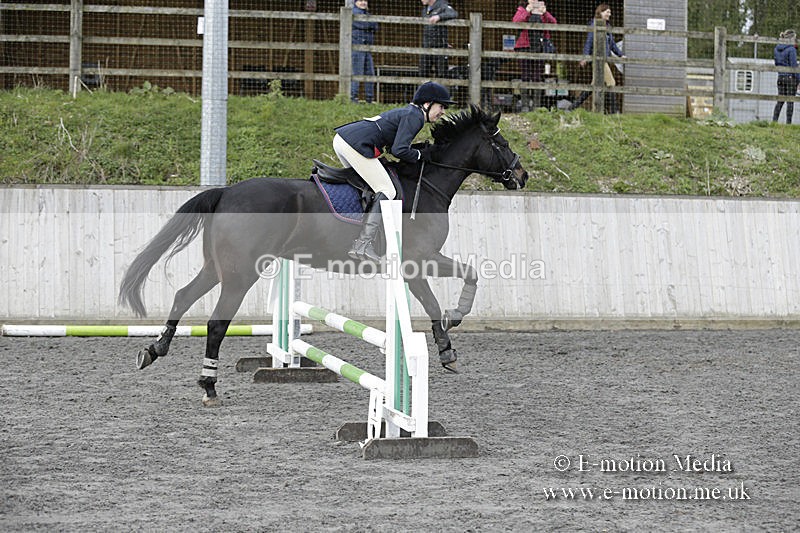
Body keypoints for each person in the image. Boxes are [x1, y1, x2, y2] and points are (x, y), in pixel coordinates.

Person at [333, 81, 455, 262]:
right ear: (427, 104)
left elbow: (394, 147)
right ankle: (363, 244)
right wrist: (422, 155)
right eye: (441, 106)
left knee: (369, 187)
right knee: (388, 190)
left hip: (344, 140)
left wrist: (416, 151)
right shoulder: (416, 117)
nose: (443, 111)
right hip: (355, 144)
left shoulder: (410, 112)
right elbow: (399, 150)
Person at [570, 3, 625, 113]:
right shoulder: (594, 25)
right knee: (611, 83)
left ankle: (572, 107)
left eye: (610, 12)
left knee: (594, 85)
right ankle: (615, 112)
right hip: (597, 60)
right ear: (600, 12)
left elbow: (612, 44)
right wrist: (585, 57)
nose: (610, 14)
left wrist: (620, 54)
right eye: (607, 12)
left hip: (604, 59)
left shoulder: (607, 26)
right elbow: (589, 42)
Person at [512, 0, 557, 110]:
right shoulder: (522, 9)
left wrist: (545, 13)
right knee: (525, 76)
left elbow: (554, 23)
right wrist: (528, 11)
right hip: (525, 47)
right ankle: (525, 105)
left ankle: (536, 106)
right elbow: (516, 21)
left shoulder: (542, 11)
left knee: (537, 77)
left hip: (539, 47)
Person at [419, 0, 459, 79]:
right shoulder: (425, 9)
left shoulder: (442, 5)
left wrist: (439, 17)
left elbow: (453, 13)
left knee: (441, 74)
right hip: (426, 47)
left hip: (440, 46)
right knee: (423, 73)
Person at [350, 0, 378, 103]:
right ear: (355, 2)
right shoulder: (353, 12)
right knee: (357, 74)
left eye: (365, 0)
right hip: (357, 47)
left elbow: (375, 26)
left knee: (370, 74)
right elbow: (364, 25)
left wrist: (369, 23)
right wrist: (369, 23)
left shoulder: (367, 14)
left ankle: (369, 99)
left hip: (367, 48)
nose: (363, 3)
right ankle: (353, 99)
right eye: (360, 0)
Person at [772, 29, 799, 124]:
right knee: (790, 101)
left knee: (780, 101)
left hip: (780, 77)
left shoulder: (776, 49)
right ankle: (788, 124)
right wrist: (799, 79)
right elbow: (794, 66)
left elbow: (776, 63)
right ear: (792, 38)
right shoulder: (791, 49)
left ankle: (774, 121)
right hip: (790, 78)